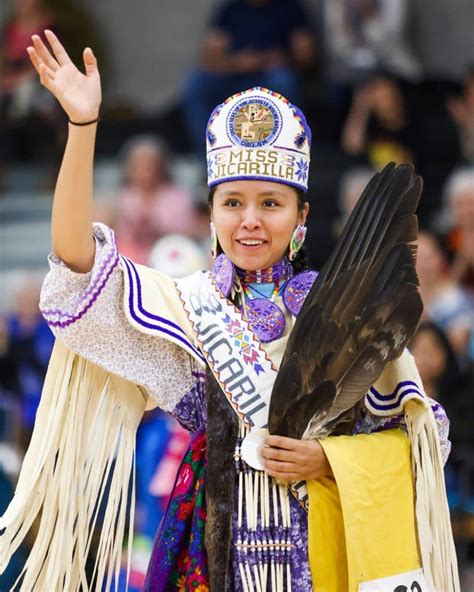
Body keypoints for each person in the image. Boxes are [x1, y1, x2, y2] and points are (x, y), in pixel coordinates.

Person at [0, 30, 459, 591]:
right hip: (214, 551)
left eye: (271, 204)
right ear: (211, 211)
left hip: (327, 553)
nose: (250, 221)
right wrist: (82, 127)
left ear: (302, 215)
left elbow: (419, 442)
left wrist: (327, 460)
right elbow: (77, 265)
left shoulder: (346, 314)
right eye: (233, 202)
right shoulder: (188, 304)